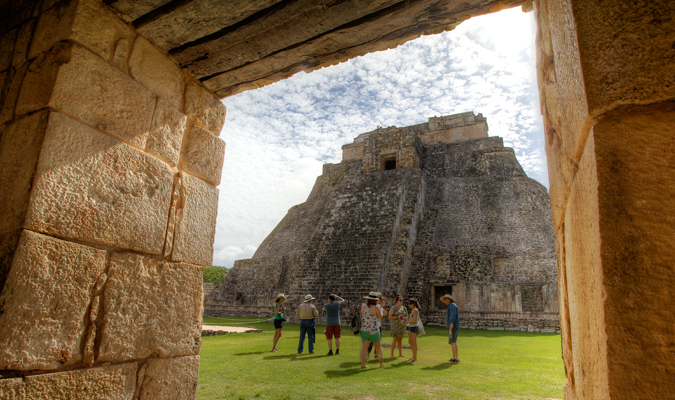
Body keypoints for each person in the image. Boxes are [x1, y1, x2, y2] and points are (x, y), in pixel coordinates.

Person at [360, 293, 384, 368]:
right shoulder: (376, 307)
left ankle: (363, 364)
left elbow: (361, 315)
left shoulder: (363, 306)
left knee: (364, 348)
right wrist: (382, 310)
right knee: (378, 347)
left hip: (364, 329)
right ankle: (381, 364)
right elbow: (380, 317)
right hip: (374, 330)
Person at [441, 294, 460, 363]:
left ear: (449, 299)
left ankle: (456, 358)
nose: (444, 301)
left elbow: (453, 315)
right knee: (452, 342)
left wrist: (451, 323)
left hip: (453, 326)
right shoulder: (451, 305)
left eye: (445, 299)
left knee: (453, 341)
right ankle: (454, 357)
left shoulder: (452, 305)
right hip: (452, 326)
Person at [367, 292, 386, 360]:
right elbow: (380, 316)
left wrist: (383, 307)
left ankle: (376, 355)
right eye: (379, 298)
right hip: (374, 326)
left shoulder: (379, 306)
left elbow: (385, 314)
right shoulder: (375, 307)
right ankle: (368, 354)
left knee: (377, 342)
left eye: (381, 298)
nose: (380, 299)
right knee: (372, 342)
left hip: (378, 326)